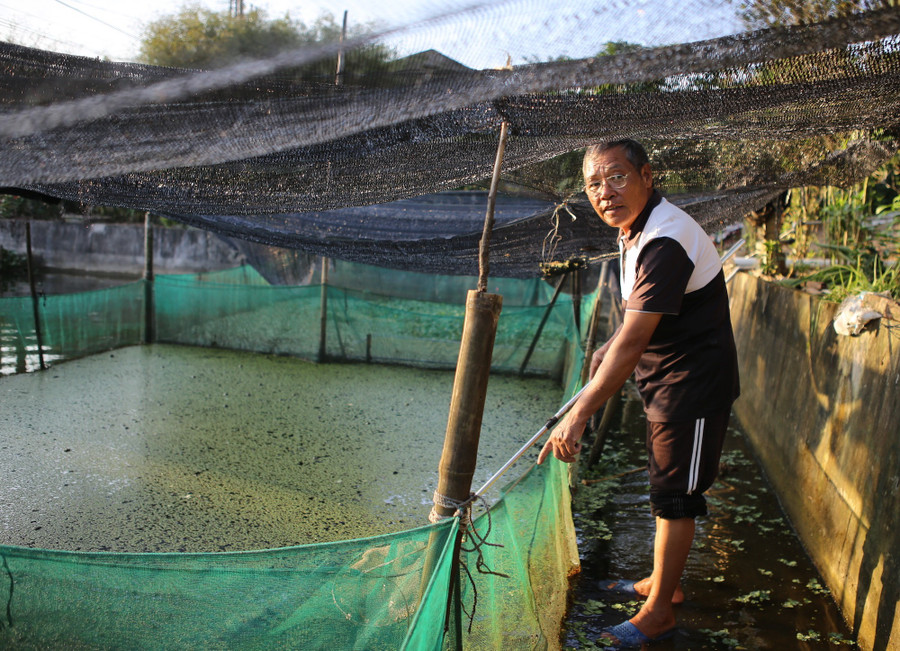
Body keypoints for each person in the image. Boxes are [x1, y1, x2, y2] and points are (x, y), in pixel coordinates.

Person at [537, 139, 740, 648]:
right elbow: (634, 322)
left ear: (647, 176)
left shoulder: (664, 241)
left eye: (617, 177)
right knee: (663, 484)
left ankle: (658, 613)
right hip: (666, 380)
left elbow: (635, 340)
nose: (606, 193)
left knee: (676, 496)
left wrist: (578, 415)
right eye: (593, 184)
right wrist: (608, 345)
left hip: (691, 385)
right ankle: (660, 584)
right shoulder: (636, 231)